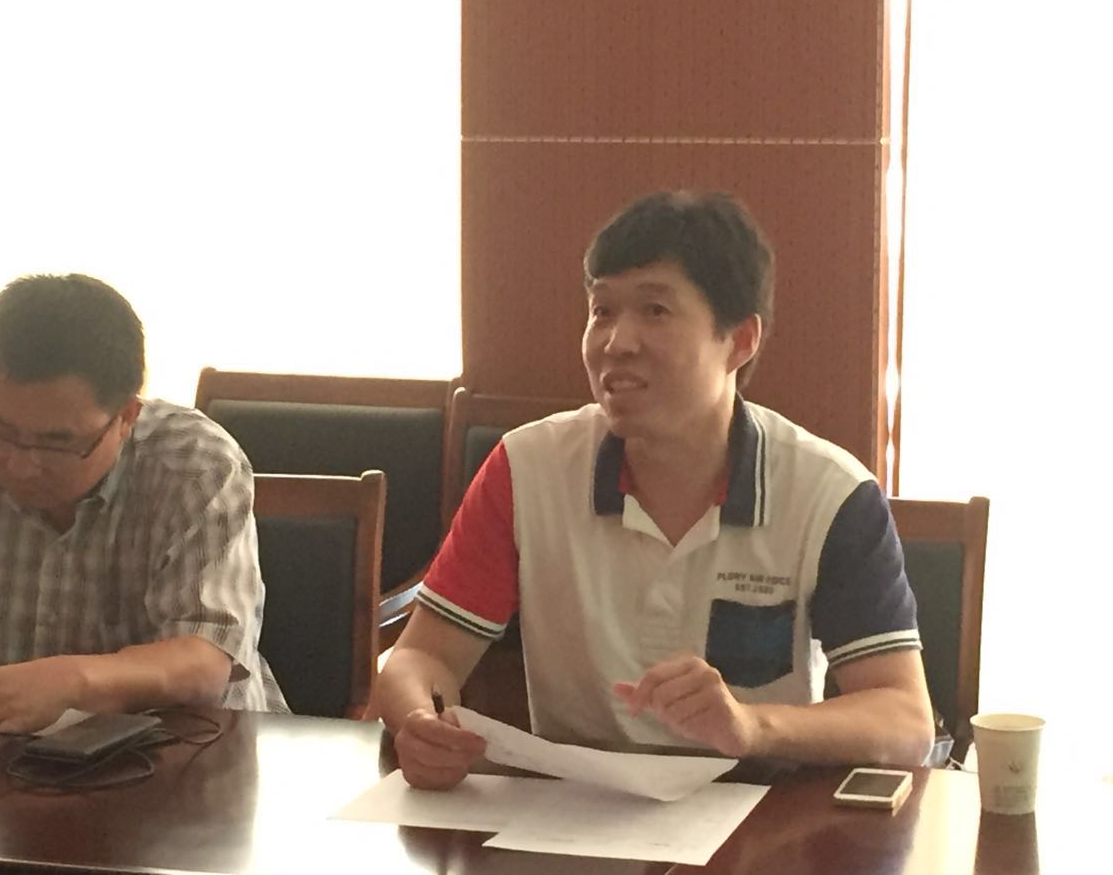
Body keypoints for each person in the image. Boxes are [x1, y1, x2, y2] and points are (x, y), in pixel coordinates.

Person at [377, 191, 934, 789]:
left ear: (739, 341)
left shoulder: (830, 495)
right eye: (602, 311)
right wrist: (419, 721)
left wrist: (752, 725)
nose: (617, 342)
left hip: (758, 812)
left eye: (655, 311)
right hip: (572, 813)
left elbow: (905, 720)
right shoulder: (526, 469)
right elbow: (419, 657)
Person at [0, 274, 286, 732]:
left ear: (127, 416)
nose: (19, 465)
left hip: (193, 748)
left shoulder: (193, 465)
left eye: (56, 442)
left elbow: (206, 659)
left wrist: (72, 682)